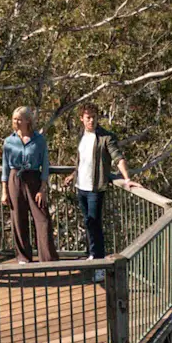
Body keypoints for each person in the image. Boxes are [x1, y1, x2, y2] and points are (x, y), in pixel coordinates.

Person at [64, 101, 137, 279]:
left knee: (95, 223)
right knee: (88, 222)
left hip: (95, 188)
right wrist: (73, 175)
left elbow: (117, 157)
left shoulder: (105, 137)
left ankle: (100, 265)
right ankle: (92, 254)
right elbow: (82, 161)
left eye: (94, 117)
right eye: (88, 118)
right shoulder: (82, 136)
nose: (92, 121)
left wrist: (127, 178)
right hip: (81, 186)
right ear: (82, 119)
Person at [1, 106, 54, 262]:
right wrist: (4, 190)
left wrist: (43, 188)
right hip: (14, 178)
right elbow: (5, 166)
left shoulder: (39, 140)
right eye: (14, 119)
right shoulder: (9, 141)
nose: (16, 122)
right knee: (17, 218)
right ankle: (23, 257)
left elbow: (45, 165)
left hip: (34, 178)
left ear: (28, 120)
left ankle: (48, 258)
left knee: (42, 218)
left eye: (19, 119)